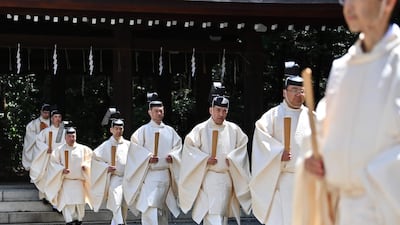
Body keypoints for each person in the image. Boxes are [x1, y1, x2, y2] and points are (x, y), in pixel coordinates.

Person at [294, 0, 400, 225]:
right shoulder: (343, 68)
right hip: (342, 210)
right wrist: (313, 158)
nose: (348, 7)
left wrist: (364, 175)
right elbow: (321, 133)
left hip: (385, 211)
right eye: (345, 0)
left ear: (388, 3)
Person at [249, 62, 311, 225]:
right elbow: (262, 142)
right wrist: (277, 154)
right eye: (294, 90)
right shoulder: (272, 117)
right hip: (281, 181)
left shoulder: (314, 118)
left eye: (301, 90)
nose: (299, 94)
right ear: (285, 92)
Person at [179, 91, 251, 225]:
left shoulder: (234, 129)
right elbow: (189, 149)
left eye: (224, 111)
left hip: (226, 177)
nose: (221, 114)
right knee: (213, 215)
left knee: (221, 217)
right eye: (218, 110)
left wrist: (234, 159)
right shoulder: (201, 129)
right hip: (209, 178)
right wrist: (205, 159)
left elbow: (242, 147)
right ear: (211, 110)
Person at [123, 95, 182, 225]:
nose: (159, 113)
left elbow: (178, 147)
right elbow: (135, 150)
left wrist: (172, 156)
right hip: (150, 174)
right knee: (150, 205)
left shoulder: (170, 131)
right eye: (156, 111)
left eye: (161, 111)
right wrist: (147, 158)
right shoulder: (142, 131)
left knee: (162, 210)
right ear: (150, 112)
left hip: (165, 173)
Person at [45, 126, 92, 225]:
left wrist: (86, 167)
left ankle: (79, 220)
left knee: (79, 205)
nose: (72, 138)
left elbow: (91, 162)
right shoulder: (58, 150)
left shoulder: (84, 149)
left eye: (73, 136)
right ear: (65, 137)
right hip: (67, 182)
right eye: (69, 136)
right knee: (67, 205)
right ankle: (69, 221)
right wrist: (61, 170)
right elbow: (53, 164)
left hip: (79, 182)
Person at [91, 118, 130, 225]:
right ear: (111, 130)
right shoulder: (106, 145)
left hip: (126, 178)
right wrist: (105, 168)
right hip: (115, 177)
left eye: (120, 128)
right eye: (116, 128)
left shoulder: (128, 145)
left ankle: (119, 222)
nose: (118, 131)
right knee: (115, 200)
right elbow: (94, 158)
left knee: (124, 205)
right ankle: (119, 223)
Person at [30, 109, 66, 202]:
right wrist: (46, 148)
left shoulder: (64, 131)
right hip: (48, 159)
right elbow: (39, 142)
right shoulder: (46, 131)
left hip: (59, 159)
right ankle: (46, 196)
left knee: (57, 179)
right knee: (46, 177)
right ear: (52, 119)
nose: (57, 119)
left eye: (59, 117)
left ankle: (55, 200)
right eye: (55, 117)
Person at [22, 103, 51, 171]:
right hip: (38, 149)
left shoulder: (53, 122)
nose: (46, 114)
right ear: (41, 112)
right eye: (45, 112)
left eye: (48, 113)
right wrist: (40, 136)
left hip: (50, 149)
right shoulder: (33, 124)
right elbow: (30, 137)